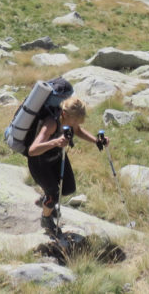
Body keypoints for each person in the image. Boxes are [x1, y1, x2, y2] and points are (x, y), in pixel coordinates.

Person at [26, 96, 107, 235]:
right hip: (39, 161)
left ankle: (45, 201)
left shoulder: (70, 120)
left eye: (79, 121)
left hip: (56, 156)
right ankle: (46, 218)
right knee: (54, 194)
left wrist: (96, 141)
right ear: (64, 114)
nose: (76, 124)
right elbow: (32, 150)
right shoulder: (51, 124)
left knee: (68, 188)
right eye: (75, 120)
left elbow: (78, 130)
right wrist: (56, 142)